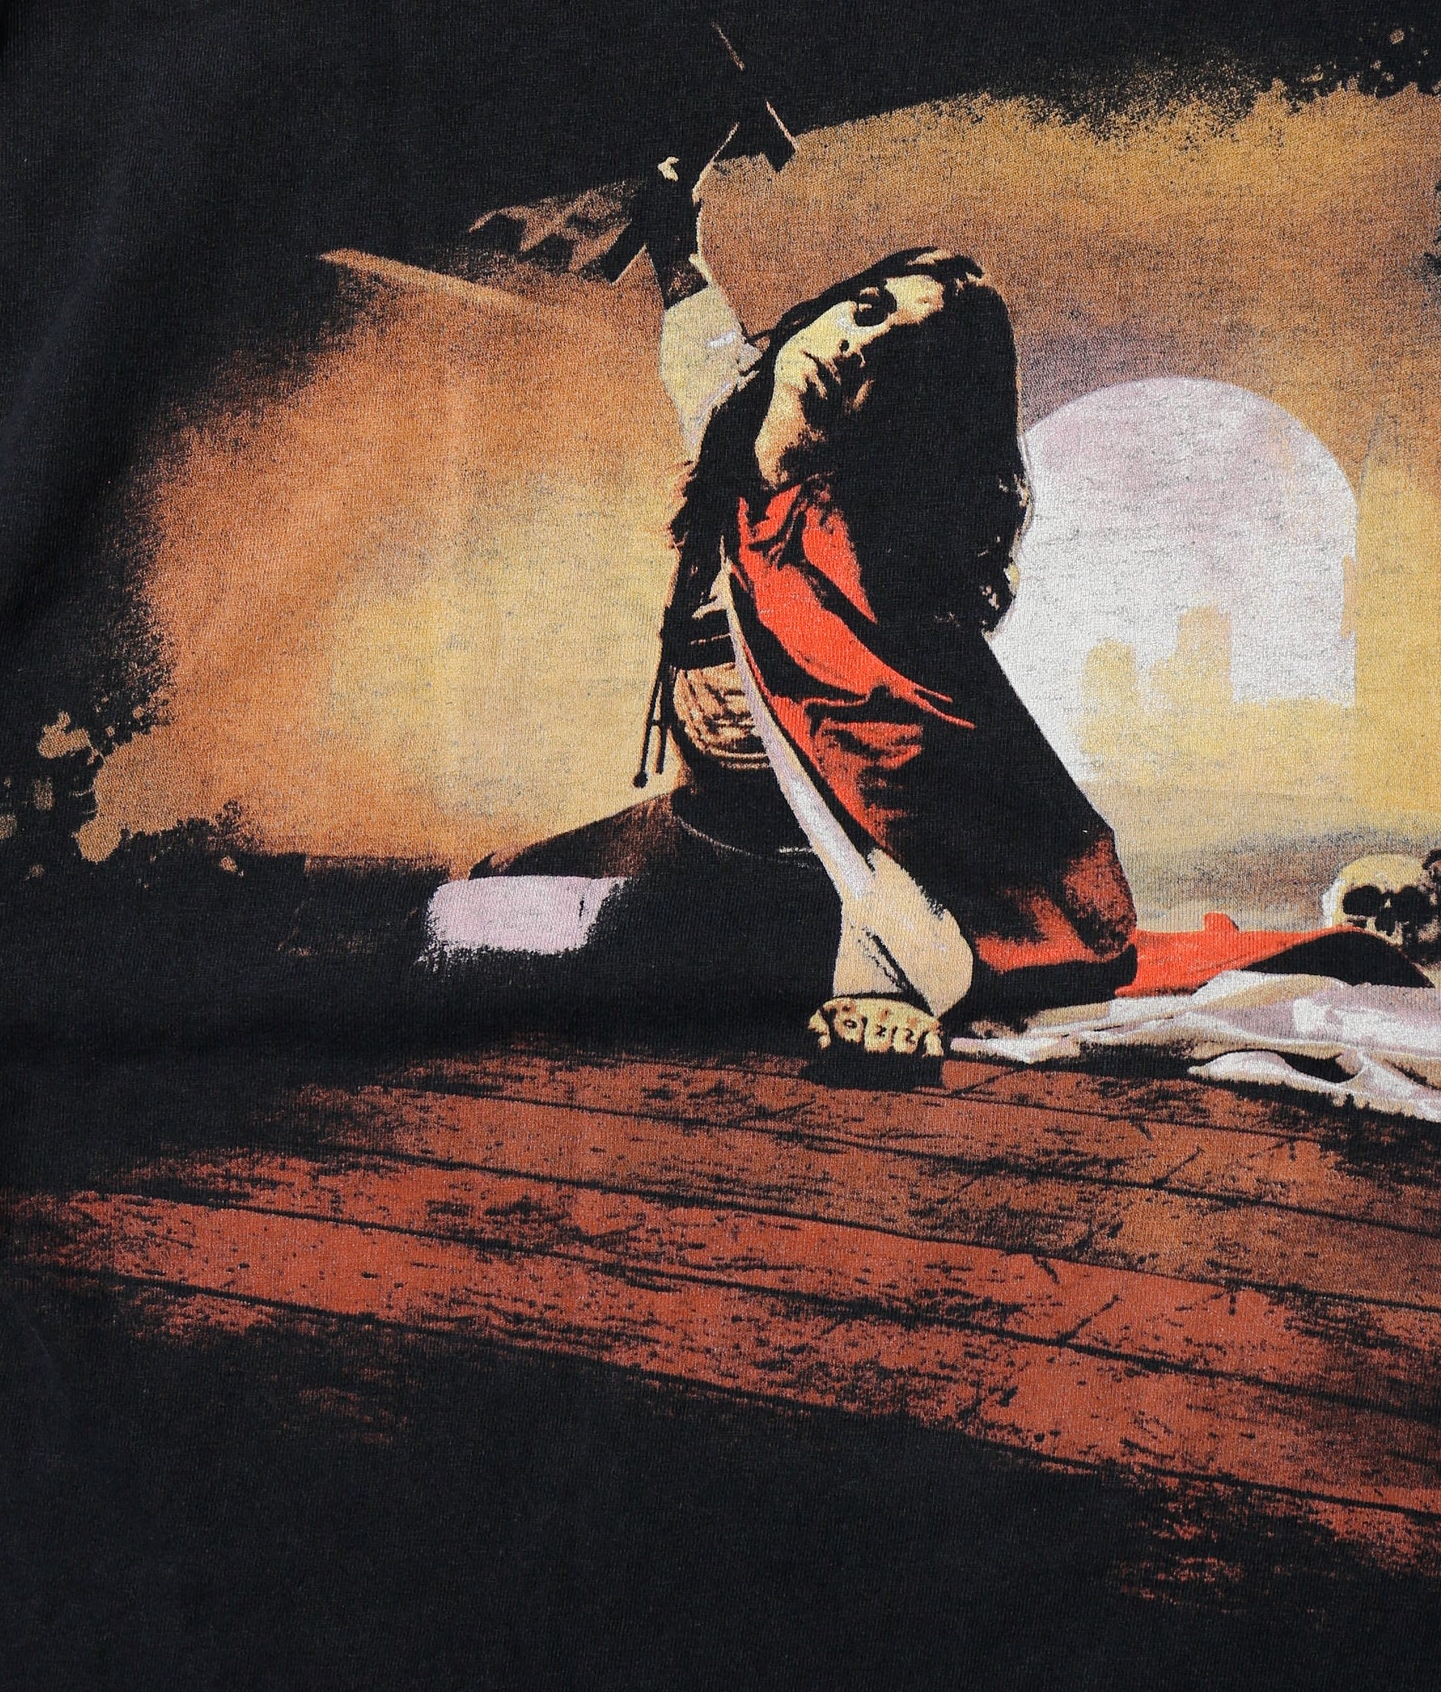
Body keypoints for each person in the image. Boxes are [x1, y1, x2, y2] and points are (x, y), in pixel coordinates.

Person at [474, 163, 1140, 1053]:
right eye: (866, 311)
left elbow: (908, 799)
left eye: (897, 360)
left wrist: (895, 991)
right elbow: (703, 346)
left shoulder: (859, 557)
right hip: (694, 826)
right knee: (476, 902)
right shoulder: (732, 429)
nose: (858, 347)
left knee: (534, 958)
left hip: (816, 877)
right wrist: (675, 239)